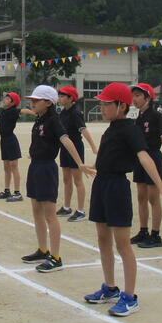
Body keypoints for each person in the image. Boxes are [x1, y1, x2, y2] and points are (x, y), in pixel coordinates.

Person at [83, 83, 162, 317]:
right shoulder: (111, 129)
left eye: (106, 104)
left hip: (117, 187)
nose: (102, 108)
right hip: (101, 184)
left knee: (122, 244)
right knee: (102, 238)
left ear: (121, 106)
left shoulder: (130, 129)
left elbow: (144, 156)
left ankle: (129, 297)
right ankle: (110, 288)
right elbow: (106, 157)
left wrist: (161, 185)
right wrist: (89, 166)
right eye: (101, 104)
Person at [21, 85, 94, 273]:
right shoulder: (39, 119)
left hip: (46, 168)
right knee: (36, 211)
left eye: (36, 100)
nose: (32, 103)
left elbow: (66, 140)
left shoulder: (54, 120)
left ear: (48, 102)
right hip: (35, 166)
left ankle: (55, 257)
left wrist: (79, 163)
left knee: (49, 215)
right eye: (32, 100)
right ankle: (42, 250)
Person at [129, 83, 162, 249]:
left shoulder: (157, 116)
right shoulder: (138, 117)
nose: (134, 99)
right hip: (140, 158)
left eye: (138, 95)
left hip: (153, 156)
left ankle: (155, 234)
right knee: (141, 196)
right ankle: (143, 231)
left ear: (148, 98)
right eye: (133, 96)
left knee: (153, 197)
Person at [56, 85, 98, 222]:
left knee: (77, 180)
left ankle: (80, 210)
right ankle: (66, 207)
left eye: (63, 96)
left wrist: (93, 147)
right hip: (65, 149)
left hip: (76, 148)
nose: (60, 98)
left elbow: (84, 130)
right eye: (59, 96)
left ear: (71, 98)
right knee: (66, 179)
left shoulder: (75, 113)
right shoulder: (62, 113)